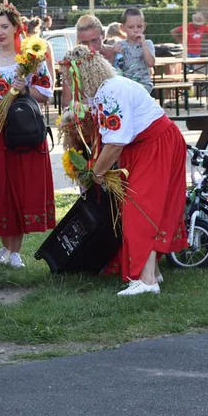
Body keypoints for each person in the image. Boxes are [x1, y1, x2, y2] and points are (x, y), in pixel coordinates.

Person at [63, 45, 187, 295]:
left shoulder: (110, 93)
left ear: (82, 74)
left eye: (68, 76)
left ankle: (146, 281)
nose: (65, 81)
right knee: (142, 208)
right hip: (145, 146)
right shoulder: (103, 91)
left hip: (155, 145)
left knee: (139, 209)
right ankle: (151, 272)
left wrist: (96, 174)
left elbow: (115, 143)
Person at [0, 3, 56, 268]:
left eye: (4, 26)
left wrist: (25, 90)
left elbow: (47, 94)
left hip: (22, 128)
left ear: (16, 27)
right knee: (0, 187)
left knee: (19, 185)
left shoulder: (30, 57)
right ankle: (4, 248)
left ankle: (16, 251)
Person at [66, 15, 116, 108]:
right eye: (84, 43)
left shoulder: (118, 54)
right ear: (78, 39)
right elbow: (67, 103)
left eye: (94, 40)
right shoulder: (74, 64)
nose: (90, 48)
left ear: (103, 35)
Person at [115, 8, 156, 94]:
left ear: (144, 26)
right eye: (131, 27)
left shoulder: (147, 44)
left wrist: (143, 44)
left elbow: (151, 63)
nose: (136, 30)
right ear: (123, 28)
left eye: (139, 26)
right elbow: (116, 68)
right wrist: (115, 53)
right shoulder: (120, 45)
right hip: (126, 86)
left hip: (144, 86)